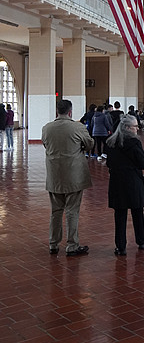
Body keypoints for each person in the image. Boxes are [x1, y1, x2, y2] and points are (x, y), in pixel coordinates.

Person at [41, 99, 94, 256]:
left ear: (57, 111)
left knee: (56, 211)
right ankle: (72, 245)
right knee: (72, 210)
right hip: (74, 176)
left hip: (54, 175)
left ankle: (53, 243)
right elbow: (90, 144)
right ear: (70, 112)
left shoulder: (47, 128)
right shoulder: (77, 127)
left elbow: (45, 144)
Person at [106, 114, 144, 256]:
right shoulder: (134, 143)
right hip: (133, 182)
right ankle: (141, 241)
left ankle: (121, 246)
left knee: (119, 215)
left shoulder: (111, 143)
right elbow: (143, 163)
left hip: (117, 183)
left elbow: (108, 163)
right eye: (135, 127)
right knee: (138, 212)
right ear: (127, 128)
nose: (137, 129)